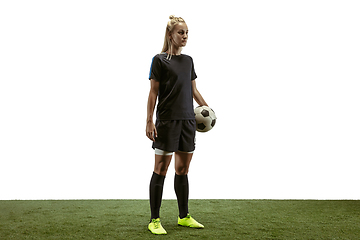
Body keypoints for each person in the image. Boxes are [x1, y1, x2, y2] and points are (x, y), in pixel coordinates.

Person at [146, 15, 208, 235]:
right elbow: (153, 93)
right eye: (181, 32)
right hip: (166, 121)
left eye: (187, 32)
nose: (185, 36)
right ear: (170, 34)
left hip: (188, 121)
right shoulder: (159, 60)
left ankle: (184, 216)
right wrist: (149, 120)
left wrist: (206, 108)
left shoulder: (188, 61)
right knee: (161, 170)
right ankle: (154, 219)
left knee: (182, 170)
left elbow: (193, 90)